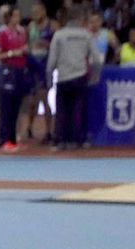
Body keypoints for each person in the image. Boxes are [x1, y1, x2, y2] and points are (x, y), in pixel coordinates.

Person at [46, 4, 102, 149]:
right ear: (80, 18)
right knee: (78, 110)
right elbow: (96, 59)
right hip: (80, 76)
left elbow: (52, 60)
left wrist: (49, 79)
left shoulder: (59, 35)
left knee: (62, 111)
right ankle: (77, 140)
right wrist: (95, 76)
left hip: (63, 77)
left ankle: (60, 140)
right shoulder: (86, 35)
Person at [0, 4, 28, 152]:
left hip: (19, 72)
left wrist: (24, 51)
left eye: (19, 16)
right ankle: (3, 140)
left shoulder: (21, 32)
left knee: (15, 107)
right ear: (9, 18)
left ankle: (12, 140)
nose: (18, 19)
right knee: (5, 107)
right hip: (6, 71)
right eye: (15, 16)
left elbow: (23, 50)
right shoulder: (2, 33)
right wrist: (13, 53)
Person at [24, 2, 53, 143]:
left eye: (37, 12)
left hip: (44, 65)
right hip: (32, 65)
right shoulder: (30, 27)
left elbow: (56, 44)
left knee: (44, 98)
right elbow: (27, 44)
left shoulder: (52, 25)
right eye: (33, 12)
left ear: (44, 12)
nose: (35, 15)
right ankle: (29, 128)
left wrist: (46, 44)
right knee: (31, 101)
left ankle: (49, 131)